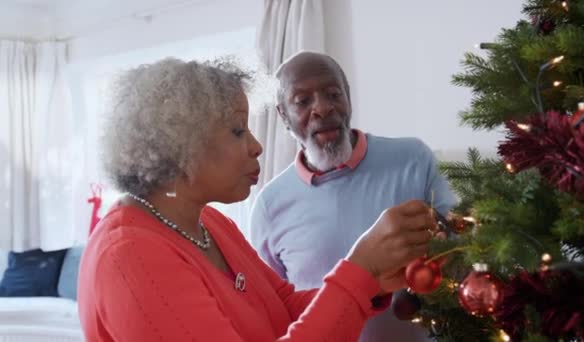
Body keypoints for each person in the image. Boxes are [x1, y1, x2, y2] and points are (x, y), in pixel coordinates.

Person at [77, 57, 439, 342]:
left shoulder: (211, 224)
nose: (256, 145)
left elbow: (284, 308)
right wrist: (359, 268)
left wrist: (371, 279)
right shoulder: (129, 254)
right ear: (180, 143)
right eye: (238, 131)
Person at [249, 51, 457, 342]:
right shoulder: (269, 206)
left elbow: (461, 241)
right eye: (302, 101)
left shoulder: (413, 158)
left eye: (333, 94)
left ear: (348, 97)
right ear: (283, 115)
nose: (323, 108)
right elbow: (273, 309)